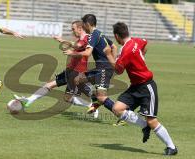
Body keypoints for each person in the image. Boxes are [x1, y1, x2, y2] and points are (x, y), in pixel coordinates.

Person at [65, 14, 156, 144]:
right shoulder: (99, 34)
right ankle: (95, 102)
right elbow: (113, 46)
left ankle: (120, 115)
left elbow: (87, 53)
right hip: (102, 67)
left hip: (103, 68)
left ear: (87, 24)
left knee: (102, 96)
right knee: (78, 80)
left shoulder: (94, 35)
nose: (82, 26)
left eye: (83, 24)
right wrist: (113, 61)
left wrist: (72, 53)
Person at [111, 22, 177, 155]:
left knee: (152, 120)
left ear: (117, 36)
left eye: (115, 37)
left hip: (147, 86)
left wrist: (109, 55)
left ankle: (172, 147)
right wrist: (140, 57)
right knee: (117, 109)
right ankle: (144, 126)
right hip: (136, 86)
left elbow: (118, 70)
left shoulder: (125, 50)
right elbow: (145, 43)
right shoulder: (136, 41)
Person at [14, 20, 99, 118]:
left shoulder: (87, 38)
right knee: (49, 85)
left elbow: (79, 46)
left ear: (80, 29)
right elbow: (76, 47)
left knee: (69, 97)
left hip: (77, 72)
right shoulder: (80, 39)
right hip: (70, 70)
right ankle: (29, 100)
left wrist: (63, 41)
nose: (72, 31)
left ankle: (92, 105)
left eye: (73, 29)